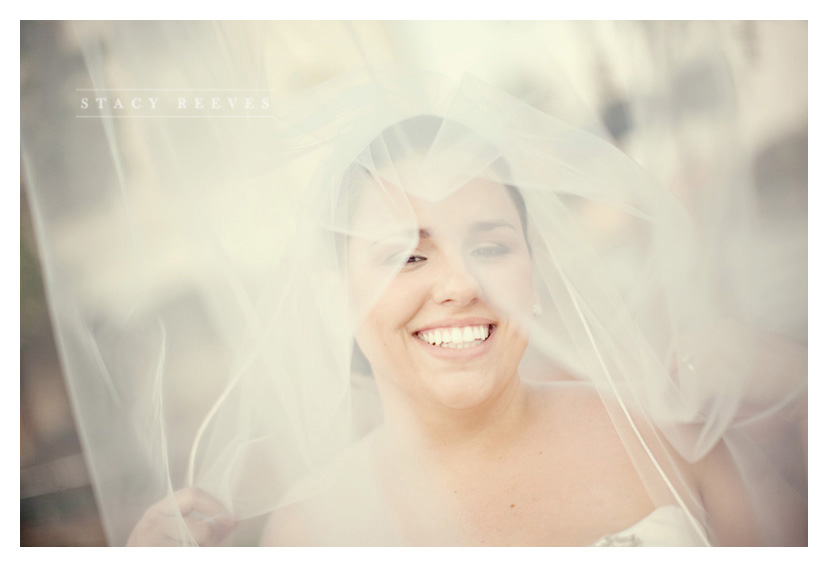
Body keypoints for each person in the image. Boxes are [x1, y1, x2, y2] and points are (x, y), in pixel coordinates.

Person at [22, 23, 807, 547]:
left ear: (535, 266)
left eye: (491, 243)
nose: (460, 283)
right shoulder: (309, 532)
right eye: (406, 254)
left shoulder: (662, 425)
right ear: (335, 294)